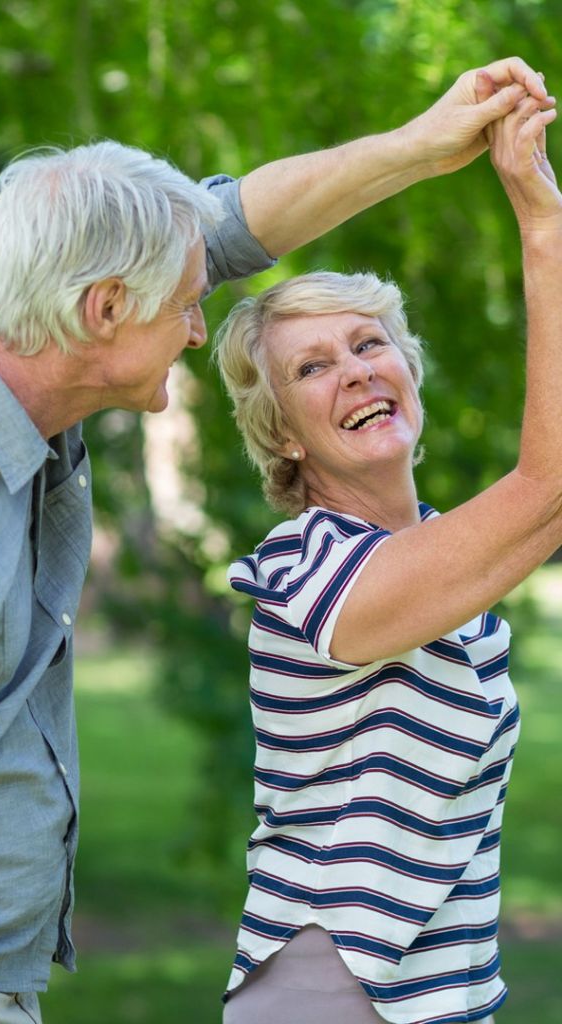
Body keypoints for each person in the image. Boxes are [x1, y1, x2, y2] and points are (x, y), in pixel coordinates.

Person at [0, 59, 550, 1024]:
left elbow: (227, 227)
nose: (198, 331)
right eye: (186, 305)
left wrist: (417, 145)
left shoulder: (9, 326)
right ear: (105, 310)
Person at [214, 80, 560, 1024]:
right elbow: (551, 486)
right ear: (283, 434)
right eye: (311, 368)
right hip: (326, 996)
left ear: (408, 371)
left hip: (442, 1001)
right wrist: (539, 218)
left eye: (370, 344)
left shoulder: (452, 565)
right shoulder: (302, 568)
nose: (357, 369)